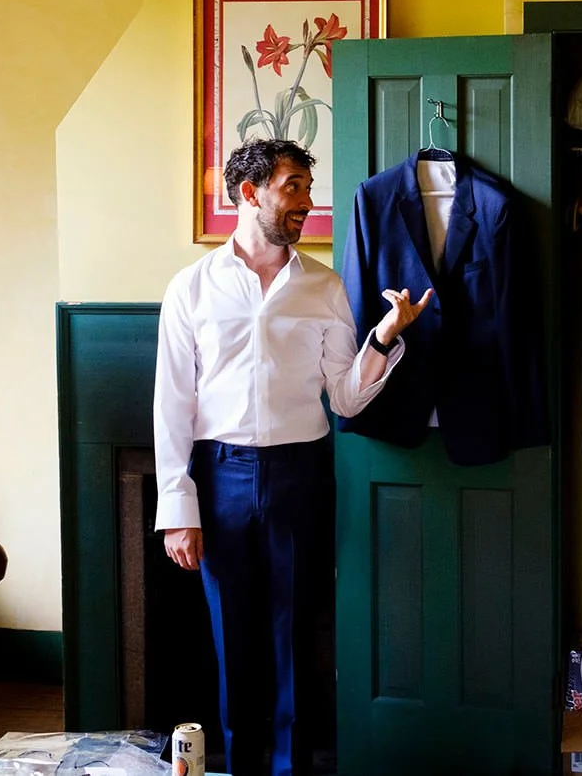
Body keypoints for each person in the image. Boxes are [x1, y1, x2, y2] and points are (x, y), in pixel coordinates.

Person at [154, 139, 430, 776]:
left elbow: (346, 399)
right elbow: (172, 403)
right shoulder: (190, 288)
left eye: (308, 187)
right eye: (293, 187)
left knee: (294, 641)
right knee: (234, 646)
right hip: (218, 476)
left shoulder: (326, 288)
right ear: (249, 195)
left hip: (301, 476)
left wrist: (384, 338)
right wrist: (178, 507)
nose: (307, 201)